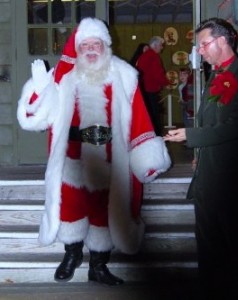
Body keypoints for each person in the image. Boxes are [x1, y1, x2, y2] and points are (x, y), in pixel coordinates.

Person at [17, 17, 171, 286]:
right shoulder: (62, 77)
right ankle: (71, 255)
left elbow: (139, 117)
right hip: (71, 156)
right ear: (77, 48)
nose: (90, 49)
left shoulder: (124, 74)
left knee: (104, 211)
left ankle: (99, 266)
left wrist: (145, 154)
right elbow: (36, 119)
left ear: (105, 46)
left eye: (95, 44)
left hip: (110, 155)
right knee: (70, 208)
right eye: (84, 44)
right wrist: (41, 88)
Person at [164, 18, 238, 299]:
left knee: (236, 254)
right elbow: (210, 120)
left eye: (203, 44)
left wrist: (191, 137)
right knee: (209, 251)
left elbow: (237, 128)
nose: (200, 51)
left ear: (223, 41)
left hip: (232, 185)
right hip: (207, 180)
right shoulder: (215, 75)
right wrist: (200, 155)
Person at [136, 36, 171, 136]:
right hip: (150, 90)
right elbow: (158, 73)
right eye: (160, 45)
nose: (162, 48)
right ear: (155, 46)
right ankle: (156, 135)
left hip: (144, 89)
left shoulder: (145, 55)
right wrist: (166, 83)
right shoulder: (153, 56)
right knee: (154, 114)